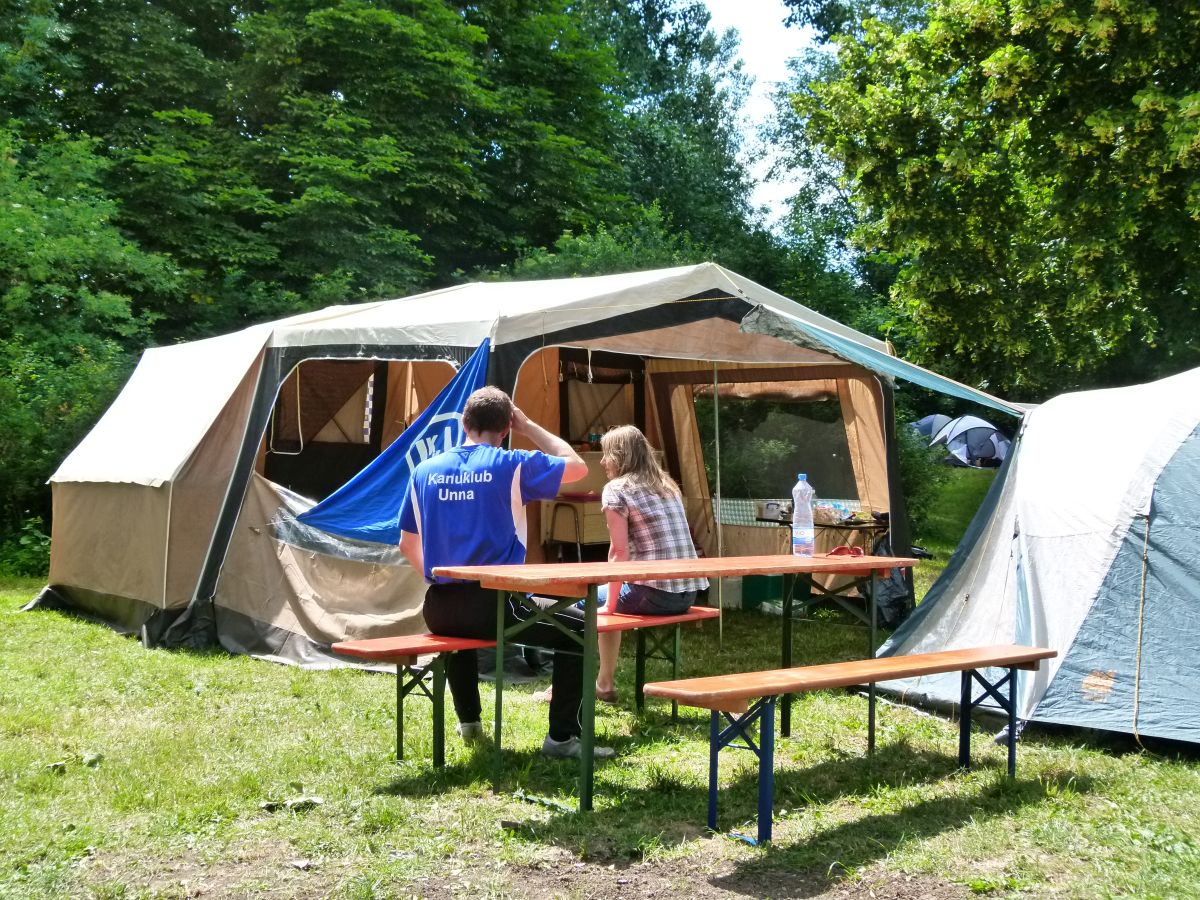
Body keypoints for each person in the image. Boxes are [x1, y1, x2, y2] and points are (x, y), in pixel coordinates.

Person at [398, 386, 615, 760]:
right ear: (505, 430)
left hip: (439, 607)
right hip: (494, 604)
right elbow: (577, 466)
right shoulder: (511, 464)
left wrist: (435, 579)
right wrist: (529, 426)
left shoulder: (423, 471)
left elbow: (406, 543)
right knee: (581, 630)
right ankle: (562, 738)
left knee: (459, 638)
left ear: (464, 424)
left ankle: (470, 723)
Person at [536, 425, 707, 703]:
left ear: (621, 456)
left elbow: (618, 552)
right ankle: (603, 684)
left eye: (607, 455)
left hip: (654, 593)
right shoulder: (667, 485)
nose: (603, 461)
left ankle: (566, 688)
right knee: (606, 600)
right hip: (686, 593)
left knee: (573, 608)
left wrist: (611, 604)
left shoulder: (617, 489)